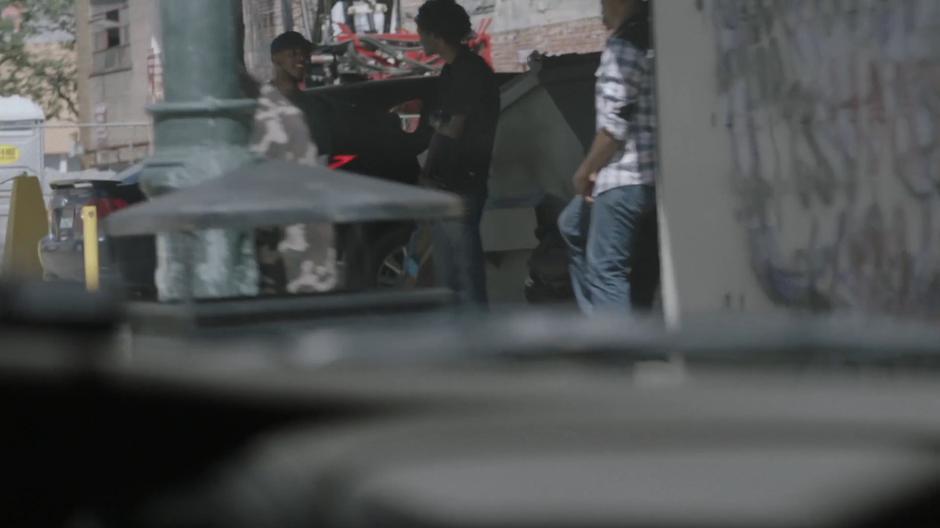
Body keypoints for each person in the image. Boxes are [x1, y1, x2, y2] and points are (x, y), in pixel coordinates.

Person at [557, 0, 659, 315]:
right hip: (642, 175)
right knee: (571, 225)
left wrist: (585, 171)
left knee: (605, 269)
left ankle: (615, 349)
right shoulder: (648, 38)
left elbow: (613, 129)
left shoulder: (624, 47)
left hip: (623, 177)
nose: (600, 8)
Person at [415, 0, 500, 307]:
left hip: (462, 186)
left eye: (421, 32)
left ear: (436, 34)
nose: (419, 39)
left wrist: (431, 120)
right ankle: (463, 344)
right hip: (443, 186)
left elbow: (452, 128)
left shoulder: (469, 72)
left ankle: (479, 344)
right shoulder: (452, 72)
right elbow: (444, 131)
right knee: (450, 278)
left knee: (464, 277)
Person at [247, 31, 338, 295]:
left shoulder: (314, 106)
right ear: (275, 58)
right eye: (293, 53)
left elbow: (323, 156)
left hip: (305, 210)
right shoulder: (259, 104)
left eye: (305, 54)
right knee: (272, 284)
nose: (302, 59)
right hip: (268, 212)